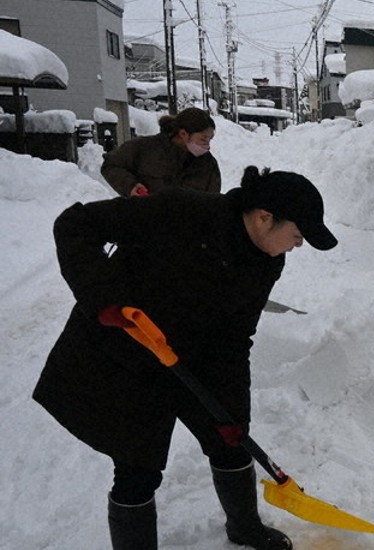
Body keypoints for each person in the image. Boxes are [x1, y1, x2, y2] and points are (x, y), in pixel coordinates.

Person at [34, 166, 339, 550]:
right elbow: (75, 225)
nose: (297, 246)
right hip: (127, 352)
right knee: (137, 470)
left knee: (231, 440)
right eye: (297, 236)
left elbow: (236, 335)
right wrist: (103, 299)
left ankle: (244, 527)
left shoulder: (266, 260)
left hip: (194, 357)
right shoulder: (179, 211)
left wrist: (233, 411)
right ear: (265, 218)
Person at [101, 108, 220, 197]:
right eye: (203, 139)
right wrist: (130, 186)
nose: (207, 145)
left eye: (210, 139)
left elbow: (213, 203)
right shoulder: (144, 148)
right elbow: (110, 164)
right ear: (183, 134)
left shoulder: (208, 165)